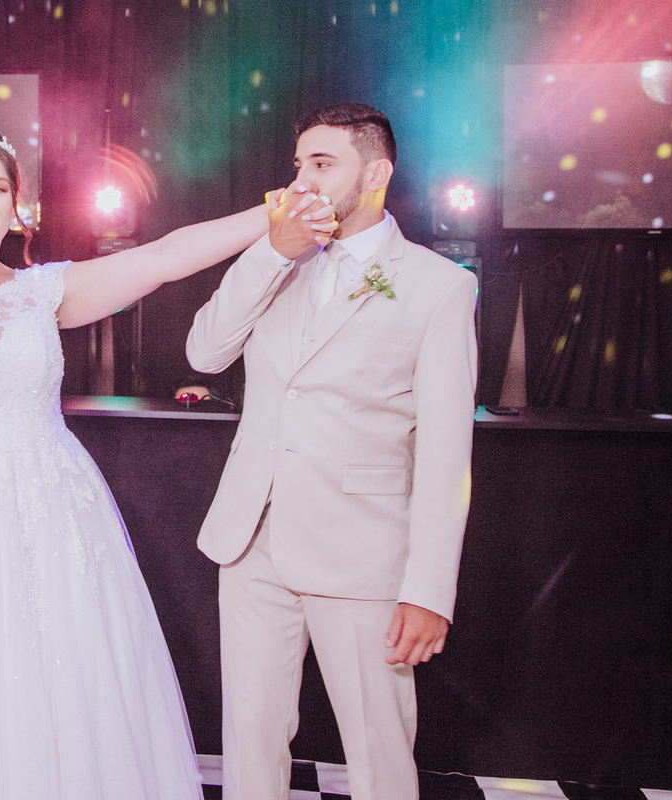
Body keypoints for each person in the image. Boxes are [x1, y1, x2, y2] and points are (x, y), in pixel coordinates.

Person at [0, 125, 335, 800]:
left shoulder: (42, 292)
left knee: (61, 696)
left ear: (17, 206)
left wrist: (274, 212)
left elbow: (167, 257)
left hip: (51, 524)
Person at [186, 103, 478, 800]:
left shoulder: (440, 286)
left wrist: (429, 589)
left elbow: (446, 452)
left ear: (376, 174)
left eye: (322, 164)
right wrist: (270, 252)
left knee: (379, 752)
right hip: (251, 539)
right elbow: (205, 351)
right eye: (299, 164)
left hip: (363, 552)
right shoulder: (279, 260)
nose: (302, 181)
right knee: (250, 739)